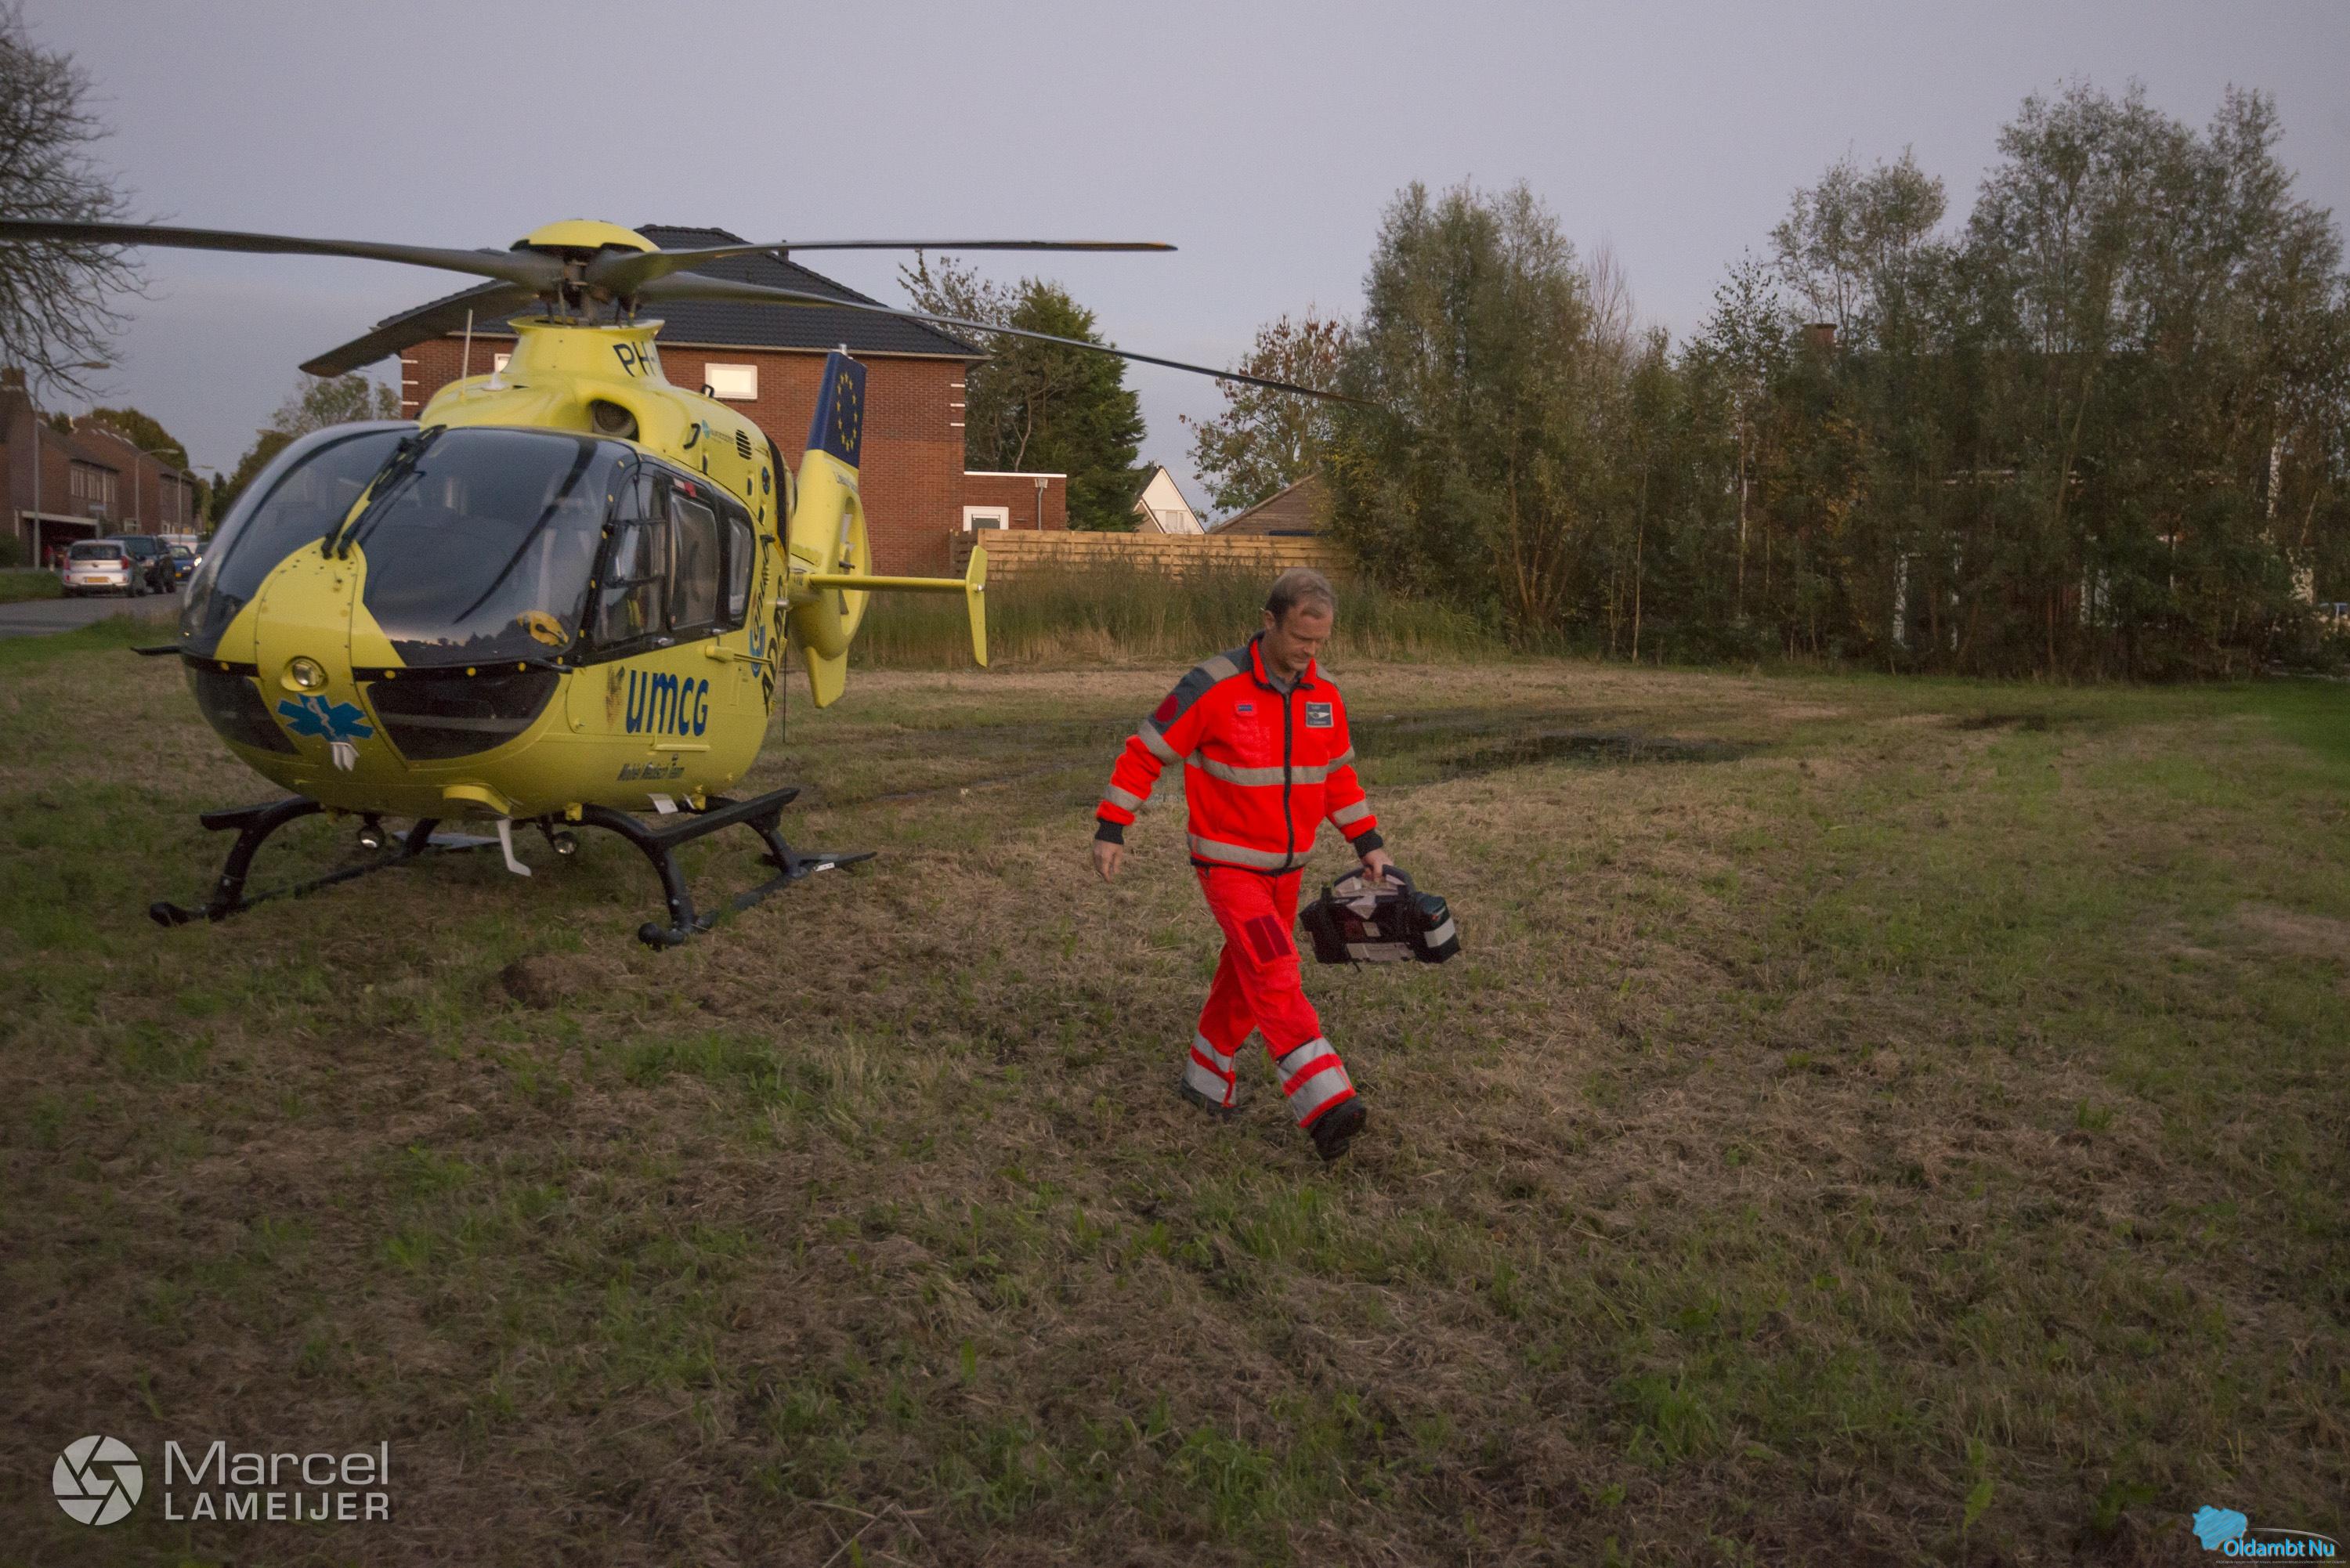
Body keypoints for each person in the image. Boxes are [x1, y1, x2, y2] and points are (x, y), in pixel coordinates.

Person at [1092, 568, 1393, 1162]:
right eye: (1301, 638)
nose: (1310, 653)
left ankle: (1205, 1077)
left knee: (1245, 969)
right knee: (1275, 967)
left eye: (1321, 642)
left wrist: (1368, 842)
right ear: (1268, 621)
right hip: (1228, 868)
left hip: (1289, 871)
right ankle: (1326, 1101)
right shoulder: (1211, 685)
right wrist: (1112, 826)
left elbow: (1337, 778)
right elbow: (1147, 751)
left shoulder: (1325, 696)